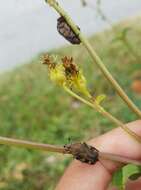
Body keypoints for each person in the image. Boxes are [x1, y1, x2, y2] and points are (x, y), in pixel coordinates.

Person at [56, 120, 141, 190]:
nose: (69, 146)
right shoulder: (78, 148)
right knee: (80, 155)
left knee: (80, 155)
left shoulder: (77, 149)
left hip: (91, 156)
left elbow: (81, 151)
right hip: (92, 155)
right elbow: (83, 149)